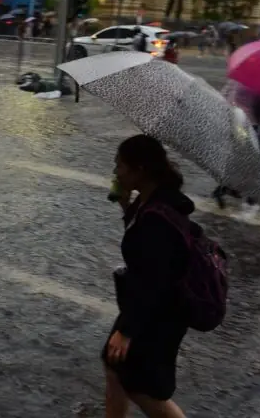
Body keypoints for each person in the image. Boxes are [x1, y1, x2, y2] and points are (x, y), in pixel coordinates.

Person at [105, 134, 190, 418]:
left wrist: (127, 332)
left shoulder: (158, 215)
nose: (115, 172)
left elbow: (154, 280)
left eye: (119, 166)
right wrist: (126, 205)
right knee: (114, 368)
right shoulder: (151, 199)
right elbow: (142, 243)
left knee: (143, 390)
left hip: (157, 313)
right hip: (147, 306)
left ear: (139, 170)